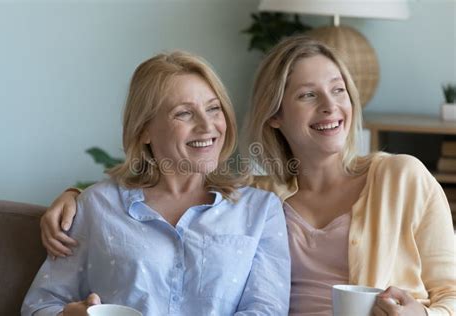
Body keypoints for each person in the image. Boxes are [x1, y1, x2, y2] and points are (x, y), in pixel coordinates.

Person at [40, 36, 456, 316]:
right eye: (308, 95)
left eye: (339, 90)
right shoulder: (259, 197)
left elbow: (451, 293)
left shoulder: (402, 177)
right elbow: (165, 192)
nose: (330, 107)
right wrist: (75, 195)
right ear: (275, 115)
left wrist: (418, 313)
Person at [22, 51, 291, 316]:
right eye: (184, 113)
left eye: (213, 108)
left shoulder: (261, 210)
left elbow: (267, 310)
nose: (207, 125)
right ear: (144, 130)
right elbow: (40, 304)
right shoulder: (96, 205)